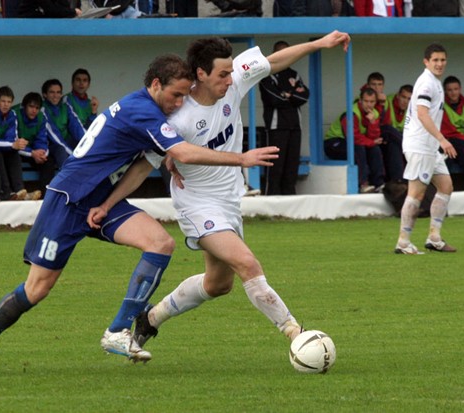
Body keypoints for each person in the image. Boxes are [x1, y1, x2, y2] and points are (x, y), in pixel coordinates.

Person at [0, 53, 279, 377]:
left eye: (184, 95)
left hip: (98, 197)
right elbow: (180, 150)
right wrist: (240, 158)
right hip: (68, 198)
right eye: (176, 95)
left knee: (161, 243)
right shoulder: (143, 112)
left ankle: (118, 330)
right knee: (37, 289)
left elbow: (156, 159)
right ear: (155, 84)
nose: (180, 102)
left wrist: (126, 192)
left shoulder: (149, 110)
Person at [108, 32, 351, 359]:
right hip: (196, 204)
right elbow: (141, 166)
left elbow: (274, 61)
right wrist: (108, 203)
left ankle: (150, 319)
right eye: (222, 74)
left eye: (230, 71)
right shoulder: (178, 119)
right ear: (201, 74)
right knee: (247, 263)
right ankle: (297, 335)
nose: (230, 77)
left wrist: (319, 44)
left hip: (228, 200)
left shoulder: (233, 80)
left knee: (218, 284)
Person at [394, 43, 457, 255]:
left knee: (446, 186)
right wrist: (442, 140)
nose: (439, 64)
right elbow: (422, 114)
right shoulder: (426, 84)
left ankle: (434, 237)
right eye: (435, 60)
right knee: (416, 194)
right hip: (420, 145)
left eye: (442, 60)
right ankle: (403, 242)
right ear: (426, 62)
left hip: (430, 147)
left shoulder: (435, 82)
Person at [259, 40, 309, 195]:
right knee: (275, 166)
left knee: (291, 166)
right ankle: (271, 199)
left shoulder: (294, 74)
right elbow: (274, 99)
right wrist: (292, 96)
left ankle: (290, 202)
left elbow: (305, 96)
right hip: (276, 127)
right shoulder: (267, 76)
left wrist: (288, 95)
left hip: (295, 126)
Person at [0, 86, 41, 201]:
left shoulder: (11, 114)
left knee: (13, 153)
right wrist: (12, 145)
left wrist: (15, 145)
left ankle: (20, 191)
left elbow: (12, 139)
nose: (6, 105)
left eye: (9, 102)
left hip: (1, 148)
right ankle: (6, 192)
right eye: (3, 101)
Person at [324, 87, 386, 193]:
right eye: (366, 101)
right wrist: (371, 142)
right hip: (333, 143)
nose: (369, 104)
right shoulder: (352, 113)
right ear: (360, 101)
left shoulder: (374, 113)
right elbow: (354, 137)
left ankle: (379, 184)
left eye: (372, 102)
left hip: (353, 142)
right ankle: (363, 184)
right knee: (358, 148)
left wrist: (372, 123)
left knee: (374, 149)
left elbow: (373, 137)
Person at [13, 92, 55, 195]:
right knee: (13, 157)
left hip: (33, 152)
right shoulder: (15, 115)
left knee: (48, 162)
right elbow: (13, 141)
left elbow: (42, 139)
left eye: (37, 108)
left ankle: (44, 195)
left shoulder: (41, 118)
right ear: (24, 106)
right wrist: (32, 153)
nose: (34, 110)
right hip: (17, 150)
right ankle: (18, 192)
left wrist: (41, 153)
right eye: (31, 106)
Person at [41, 78, 86, 169]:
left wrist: (88, 142)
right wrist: (73, 155)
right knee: (61, 149)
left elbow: (76, 125)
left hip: (65, 143)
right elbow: (55, 137)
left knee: (83, 144)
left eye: (58, 92)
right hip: (51, 146)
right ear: (44, 94)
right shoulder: (42, 109)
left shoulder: (65, 106)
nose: (55, 95)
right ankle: (67, 180)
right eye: (52, 92)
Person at [381, 84, 412, 182]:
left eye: (409, 99)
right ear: (398, 95)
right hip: (382, 138)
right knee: (388, 129)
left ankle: (399, 181)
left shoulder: (412, 109)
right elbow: (382, 126)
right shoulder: (387, 102)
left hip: (395, 141)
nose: (405, 101)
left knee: (394, 147)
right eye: (403, 97)